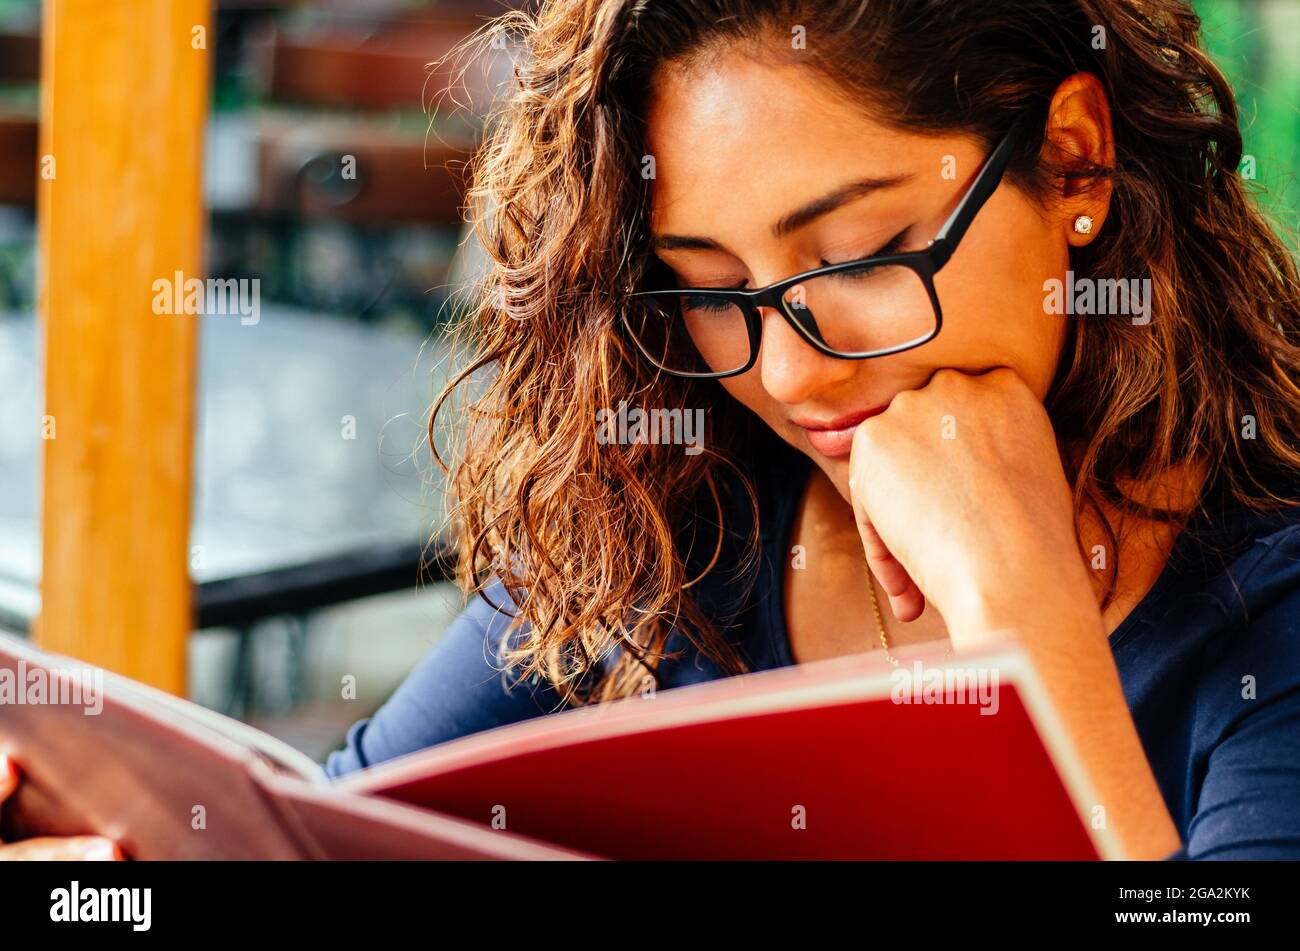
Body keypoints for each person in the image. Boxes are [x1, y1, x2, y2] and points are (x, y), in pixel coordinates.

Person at [5, 0, 1299, 860]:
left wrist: (1023, 618)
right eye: (712, 287)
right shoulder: (670, 532)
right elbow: (320, 835)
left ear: (1072, 161)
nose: (788, 374)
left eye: (858, 253)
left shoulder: (1269, 603)